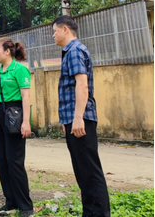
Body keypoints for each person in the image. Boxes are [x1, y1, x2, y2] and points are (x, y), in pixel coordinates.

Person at [52, 15, 110, 217]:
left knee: (90, 172)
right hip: (73, 119)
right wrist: (67, 120)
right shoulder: (70, 52)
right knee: (83, 172)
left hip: (81, 120)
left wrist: (77, 118)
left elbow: (82, 85)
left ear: (65, 29)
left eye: (55, 31)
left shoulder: (75, 51)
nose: (53, 35)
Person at [0, 37, 34, 216]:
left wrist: (26, 122)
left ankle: (26, 206)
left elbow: (26, 97)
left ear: (7, 51)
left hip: (14, 115)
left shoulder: (20, 69)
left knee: (15, 162)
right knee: (2, 161)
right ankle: (10, 201)